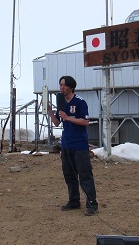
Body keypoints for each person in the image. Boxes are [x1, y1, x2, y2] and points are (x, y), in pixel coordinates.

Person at [48, 75, 99, 216]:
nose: (61, 88)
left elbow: (85, 122)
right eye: (60, 85)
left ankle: (92, 203)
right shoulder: (61, 103)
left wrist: (68, 118)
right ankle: (74, 200)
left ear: (71, 87)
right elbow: (57, 122)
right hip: (66, 145)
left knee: (85, 174)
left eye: (64, 85)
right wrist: (49, 110)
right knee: (69, 174)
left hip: (80, 145)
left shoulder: (80, 102)